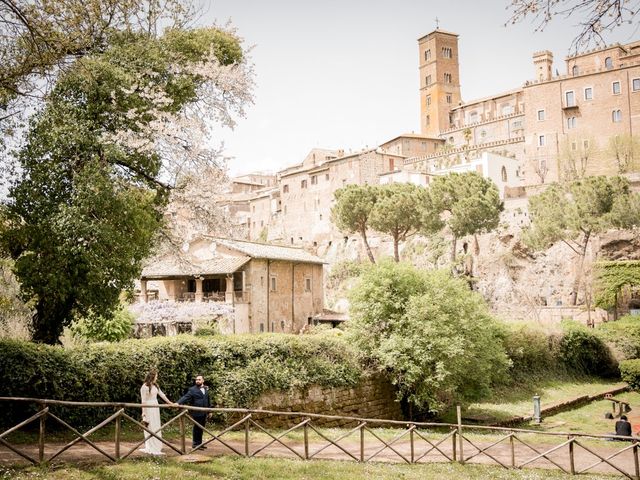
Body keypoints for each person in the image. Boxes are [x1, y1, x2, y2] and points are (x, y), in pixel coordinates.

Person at [140, 369, 174, 455]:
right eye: (156, 376)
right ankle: (151, 446)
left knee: (156, 425)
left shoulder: (155, 386)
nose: (157, 378)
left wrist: (170, 403)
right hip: (148, 407)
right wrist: (143, 412)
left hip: (156, 407)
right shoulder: (144, 387)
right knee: (150, 426)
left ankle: (157, 445)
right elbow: (143, 401)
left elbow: (162, 395)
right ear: (152, 377)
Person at [177, 374, 211, 450]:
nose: (197, 381)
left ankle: (200, 443)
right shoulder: (192, 390)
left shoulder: (205, 389)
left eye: (199, 379)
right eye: (196, 380)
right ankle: (195, 444)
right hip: (196, 412)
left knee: (201, 428)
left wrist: (209, 411)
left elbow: (208, 400)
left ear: (203, 380)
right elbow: (185, 397)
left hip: (204, 412)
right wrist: (178, 403)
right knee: (196, 428)